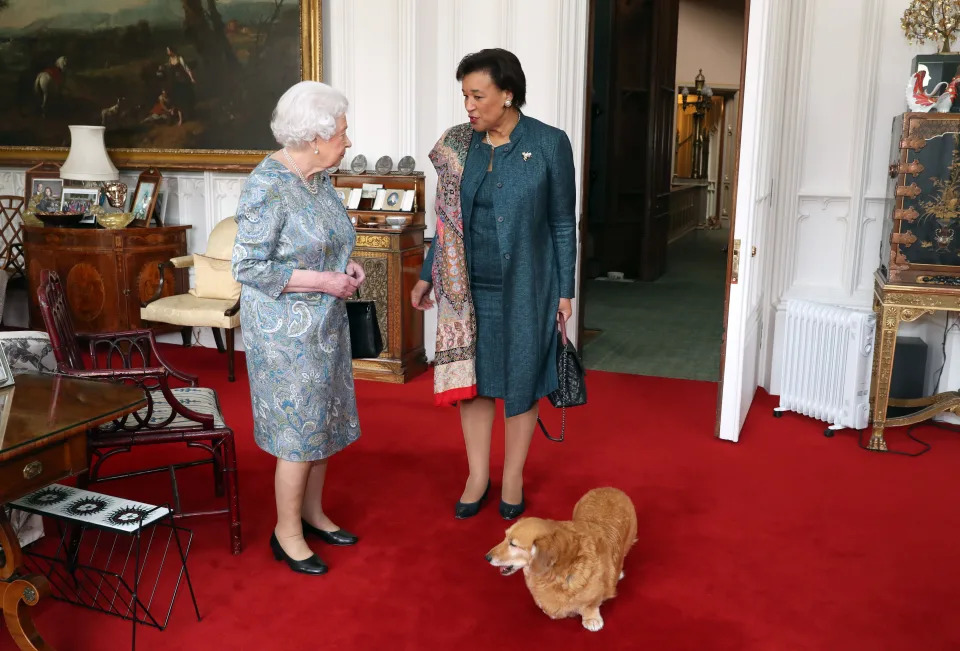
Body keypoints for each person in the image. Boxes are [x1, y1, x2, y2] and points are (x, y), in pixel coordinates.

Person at [411, 49, 577, 521]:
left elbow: (563, 223)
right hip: (467, 289)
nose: (469, 105)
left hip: (528, 285)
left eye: (478, 95)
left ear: (507, 93)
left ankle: (514, 476)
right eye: (464, 95)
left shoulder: (548, 143)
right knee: (475, 381)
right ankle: (477, 475)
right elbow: (447, 223)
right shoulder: (459, 144)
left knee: (521, 378)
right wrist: (427, 276)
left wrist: (565, 290)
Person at [232, 81, 364, 576]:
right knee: (298, 429)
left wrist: (347, 269)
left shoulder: (320, 179)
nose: (348, 142)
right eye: (342, 133)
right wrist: (323, 279)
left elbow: (332, 240)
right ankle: (286, 532)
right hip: (284, 331)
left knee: (323, 422)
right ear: (314, 137)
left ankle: (312, 513)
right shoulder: (268, 184)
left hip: (325, 322)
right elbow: (248, 266)